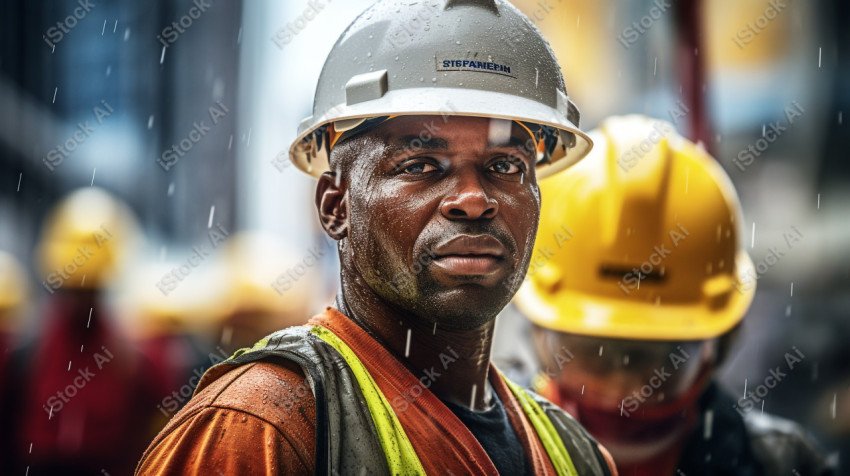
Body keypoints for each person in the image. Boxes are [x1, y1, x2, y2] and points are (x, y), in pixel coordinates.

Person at [136, 0, 618, 474]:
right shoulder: (260, 429)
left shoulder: (574, 454)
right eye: (421, 166)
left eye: (506, 166)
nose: (474, 198)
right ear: (335, 206)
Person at [514, 114, 834, 475]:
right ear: (538, 334)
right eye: (593, 356)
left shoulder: (785, 466)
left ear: (718, 346)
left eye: (656, 360)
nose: (624, 392)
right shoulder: (479, 457)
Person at [8, 188, 164, 475]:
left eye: (90, 289)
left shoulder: (136, 363)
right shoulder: (25, 356)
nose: (81, 301)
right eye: (74, 288)